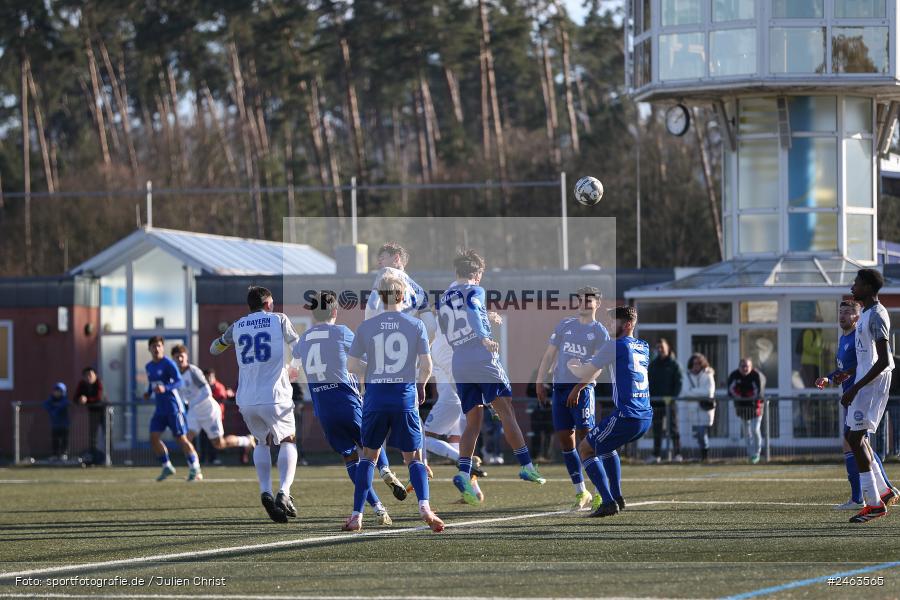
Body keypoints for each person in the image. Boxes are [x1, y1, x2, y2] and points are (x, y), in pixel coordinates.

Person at [440, 249, 545, 507]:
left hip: (459, 361)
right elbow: (474, 310)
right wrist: (485, 336)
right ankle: (526, 465)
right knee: (506, 410)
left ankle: (464, 474)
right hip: (480, 355)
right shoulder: (476, 290)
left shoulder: (444, 296)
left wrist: (486, 318)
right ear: (476, 273)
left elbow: (448, 324)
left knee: (472, 423)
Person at [344, 274, 443, 533]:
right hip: (404, 398)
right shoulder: (415, 325)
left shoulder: (366, 327)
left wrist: (372, 372)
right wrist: (421, 385)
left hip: (375, 399)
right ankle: (425, 507)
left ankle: (357, 516)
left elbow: (351, 366)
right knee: (414, 458)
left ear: (380, 296)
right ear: (403, 296)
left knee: (369, 457)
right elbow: (427, 365)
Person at [293, 291, 394, 526]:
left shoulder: (304, 339)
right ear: (335, 312)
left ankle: (378, 508)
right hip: (347, 402)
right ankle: (386, 470)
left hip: (323, 408)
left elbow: (295, 364)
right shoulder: (342, 332)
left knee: (350, 458)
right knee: (371, 446)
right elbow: (363, 359)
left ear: (313, 313)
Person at [210, 286, 302, 524]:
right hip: (275, 394)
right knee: (288, 440)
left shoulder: (239, 325)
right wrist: (295, 367)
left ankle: (265, 491)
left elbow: (214, 348)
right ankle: (284, 492)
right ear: (268, 303)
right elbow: (299, 346)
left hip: (247, 398)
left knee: (261, 442)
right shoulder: (279, 319)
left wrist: (224, 341)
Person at [566, 305, 652, 518]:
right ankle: (617, 497)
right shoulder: (643, 346)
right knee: (605, 447)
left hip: (627, 415)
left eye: (615, 321)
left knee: (585, 449)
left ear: (628, 324)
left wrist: (572, 367)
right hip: (645, 415)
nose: (609, 325)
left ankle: (607, 501)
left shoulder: (615, 346)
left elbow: (587, 371)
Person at [535, 286, 610, 509]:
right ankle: (581, 492)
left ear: (598, 303)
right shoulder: (565, 324)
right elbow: (549, 355)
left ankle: (599, 492)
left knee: (587, 441)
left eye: (589, 300)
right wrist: (540, 381)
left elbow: (598, 368)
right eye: (580, 299)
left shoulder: (600, 332)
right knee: (566, 441)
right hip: (559, 389)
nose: (583, 303)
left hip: (583, 391)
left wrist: (579, 387)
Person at [816, 299, 895, 511]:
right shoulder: (843, 340)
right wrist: (829, 378)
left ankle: (860, 497)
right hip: (850, 396)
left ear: (858, 317)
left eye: (848, 311)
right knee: (858, 442)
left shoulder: (857, 338)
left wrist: (836, 379)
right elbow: (845, 369)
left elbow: (853, 369)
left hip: (859, 395)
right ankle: (882, 490)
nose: (843, 315)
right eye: (840, 311)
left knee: (854, 442)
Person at [840, 269, 898, 523]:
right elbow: (868, 357)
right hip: (864, 381)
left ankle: (874, 503)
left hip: (873, 384)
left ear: (868, 287)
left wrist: (855, 386)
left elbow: (884, 360)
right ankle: (882, 493)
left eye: (857, 283)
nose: (853, 286)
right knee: (853, 437)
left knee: (855, 437)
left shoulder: (877, 315)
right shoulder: (864, 314)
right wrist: (849, 375)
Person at [422, 302, 488, 501]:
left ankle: (463, 461)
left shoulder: (436, 342)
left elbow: (425, 366)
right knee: (460, 444)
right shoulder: (455, 339)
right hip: (461, 400)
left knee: (422, 439)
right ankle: (473, 492)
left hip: (450, 401)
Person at [171, 345, 255, 459]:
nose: (180, 359)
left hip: (209, 411)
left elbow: (206, 392)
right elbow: (182, 395)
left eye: (181, 356)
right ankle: (195, 469)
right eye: (177, 357)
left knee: (219, 444)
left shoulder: (193, 371)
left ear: (186, 357)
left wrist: (192, 403)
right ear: (173, 359)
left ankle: (246, 440)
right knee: (185, 440)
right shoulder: (176, 375)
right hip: (194, 413)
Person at [144, 337, 201, 482]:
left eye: (159, 346)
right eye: (153, 346)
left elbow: (179, 381)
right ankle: (167, 465)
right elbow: (152, 384)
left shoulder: (168, 364)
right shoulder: (149, 366)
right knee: (153, 437)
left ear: (162, 348)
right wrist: (148, 392)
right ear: (149, 349)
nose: (156, 349)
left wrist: (166, 387)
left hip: (174, 408)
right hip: (160, 409)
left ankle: (195, 466)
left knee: (181, 439)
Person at [647, 339, 682, 463]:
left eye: (662, 347)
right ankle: (656, 455)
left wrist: (673, 397)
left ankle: (677, 454)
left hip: (670, 403)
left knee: (674, 428)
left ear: (668, 348)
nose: (660, 350)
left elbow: (679, 382)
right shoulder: (653, 364)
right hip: (656, 402)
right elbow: (648, 380)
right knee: (657, 429)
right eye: (658, 348)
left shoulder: (674, 364)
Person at [727, 358, 766, 464]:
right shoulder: (734, 375)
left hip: (756, 406)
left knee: (755, 429)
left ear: (751, 366)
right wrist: (741, 397)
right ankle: (751, 455)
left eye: (747, 366)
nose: (744, 368)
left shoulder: (756, 375)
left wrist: (747, 397)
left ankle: (757, 453)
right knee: (746, 432)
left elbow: (758, 392)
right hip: (742, 408)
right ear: (739, 367)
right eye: (742, 366)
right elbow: (731, 391)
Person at [683, 353, 716, 462]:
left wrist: (694, 392)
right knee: (698, 435)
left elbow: (709, 392)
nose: (696, 366)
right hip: (692, 410)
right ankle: (703, 456)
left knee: (702, 433)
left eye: (698, 363)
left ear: (702, 364)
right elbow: (686, 392)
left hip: (705, 409)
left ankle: (705, 455)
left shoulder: (708, 374)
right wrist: (699, 393)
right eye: (694, 364)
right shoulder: (687, 375)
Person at [73, 367, 105, 464]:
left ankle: (109, 458)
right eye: (86, 375)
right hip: (93, 412)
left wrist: (86, 400)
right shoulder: (81, 384)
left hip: (104, 412)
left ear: (95, 375)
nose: (88, 377)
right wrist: (80, 399)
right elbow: (75, 397)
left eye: (90, 375)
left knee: (107, 434)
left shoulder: (99, 383)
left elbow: (98, 397)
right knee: (92, 435)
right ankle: (93, 457)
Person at [44, 382, 69, 461]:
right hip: (55, 425)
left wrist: (55, 409)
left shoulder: (64, 400)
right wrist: (51, 409)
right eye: (55, 391)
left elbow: (62, 405)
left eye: (59, 391)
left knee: (64, 440)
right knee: (55, 440)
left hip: (64, 425)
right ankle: (55, 454)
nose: (56, 393)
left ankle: (64, 454)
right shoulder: (51, 399)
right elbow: (45, 404)